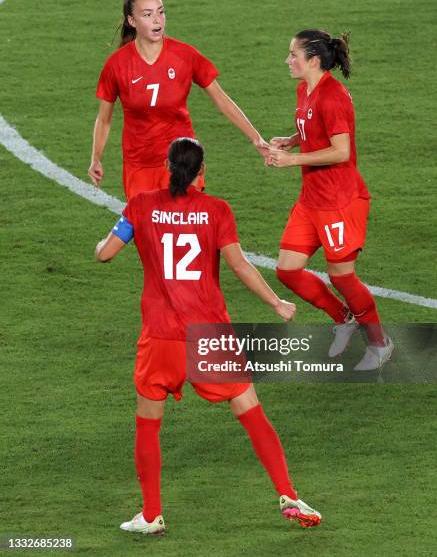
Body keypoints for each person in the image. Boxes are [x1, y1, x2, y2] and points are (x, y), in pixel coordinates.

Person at [95, 137, 322, 535]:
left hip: (160, 339)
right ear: (202, 171)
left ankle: (150, 516)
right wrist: (276, 304)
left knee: (148, 424)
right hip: (209, 336)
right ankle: (287, 494)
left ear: (168, 168)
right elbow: (240, 266)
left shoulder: (142, 205)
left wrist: (105, 241)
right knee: (251, 412)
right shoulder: (216, 210)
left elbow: (105, 253)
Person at [268, 29, 393, 371]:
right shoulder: (304, 88)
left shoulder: (333, 96)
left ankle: (380, 343)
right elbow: (314, 127)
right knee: (288, 270)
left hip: (340, 200)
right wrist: (293, 141)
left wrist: (291, 161)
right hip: (312, 199)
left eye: (293, 55)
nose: (287, 60)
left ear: (314, 60)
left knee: (342, 277)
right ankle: (343, 318)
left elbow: (341, 150)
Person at [88, 0, 269, 200]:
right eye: (147, 14)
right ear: (132, 21)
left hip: (181, 160)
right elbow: (104, 118)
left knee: (183, 223)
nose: (157, 20)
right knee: (147, 231)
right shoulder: (117, 65)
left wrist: (256, 138)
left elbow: (221, 99)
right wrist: (96, 158)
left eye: (161, 11)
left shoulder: (185, 55)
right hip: (139, 163)